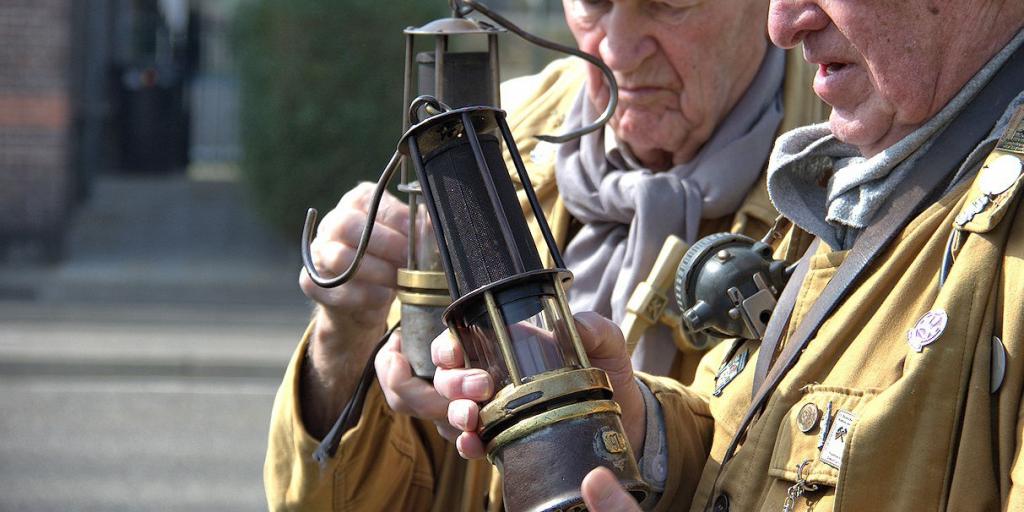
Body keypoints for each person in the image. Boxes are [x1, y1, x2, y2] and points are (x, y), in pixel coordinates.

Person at [439, 0, 1024, 510]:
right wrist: (642, 434)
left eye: (669, 3)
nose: (784, 25)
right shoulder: (877, 160)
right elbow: (760, 461)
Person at [264, 0, 827, 509]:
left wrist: (640, 433)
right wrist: (346, 336)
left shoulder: (850, 179)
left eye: (668, 4)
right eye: (593, 4)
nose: (618, 49)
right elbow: (332, 501)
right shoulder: (485, 142)